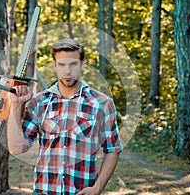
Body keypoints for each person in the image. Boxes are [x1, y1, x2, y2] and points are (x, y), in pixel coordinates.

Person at [7, 38, 123, 195]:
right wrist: (15, 105)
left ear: (82, 64)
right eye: (61, 64)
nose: (67, 71)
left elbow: (112, 149)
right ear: (55, 65)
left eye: (73, 64)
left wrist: (98, 187)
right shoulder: (39, 102)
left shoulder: (102, 103)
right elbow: (17, 148)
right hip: (44, 191)